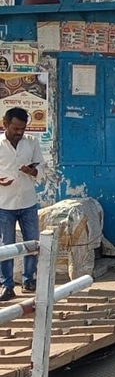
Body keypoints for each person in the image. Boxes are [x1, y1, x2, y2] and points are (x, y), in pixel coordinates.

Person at [0, 108, 42, 300]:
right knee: (6, 246)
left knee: (32, 243)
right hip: (4, 203)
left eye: (22, 129)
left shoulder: (32, 143)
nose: (19, 132)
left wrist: (31, 171)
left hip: (27, 200)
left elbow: (41, 168)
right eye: (15, 128)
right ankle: (7, 285)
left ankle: (29, 280)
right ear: (5, 124)